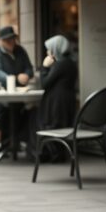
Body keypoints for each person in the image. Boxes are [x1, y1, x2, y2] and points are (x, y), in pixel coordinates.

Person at [0, 26, 35, 156]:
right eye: (8, 40)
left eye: (13, 39)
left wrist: (27, 75)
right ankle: (6, 144)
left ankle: (17, 142)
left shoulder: (20, 50)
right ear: (1, 41)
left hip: (21, 93)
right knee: (4, 111)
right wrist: (13, 78)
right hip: (3, 93)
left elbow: (29, 68)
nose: (12, 43)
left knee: (30, 111)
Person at [37, 35, 78, 163]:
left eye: (49, 49)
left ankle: (55, 154)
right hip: (65, 100)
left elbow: (44, 83)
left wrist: (45, 67)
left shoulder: (61, 64)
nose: (47, 52)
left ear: (56, 49)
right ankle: (56, 154)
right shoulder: (70, 62)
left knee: (53, 126)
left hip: (57, 102)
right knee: (60, 126)